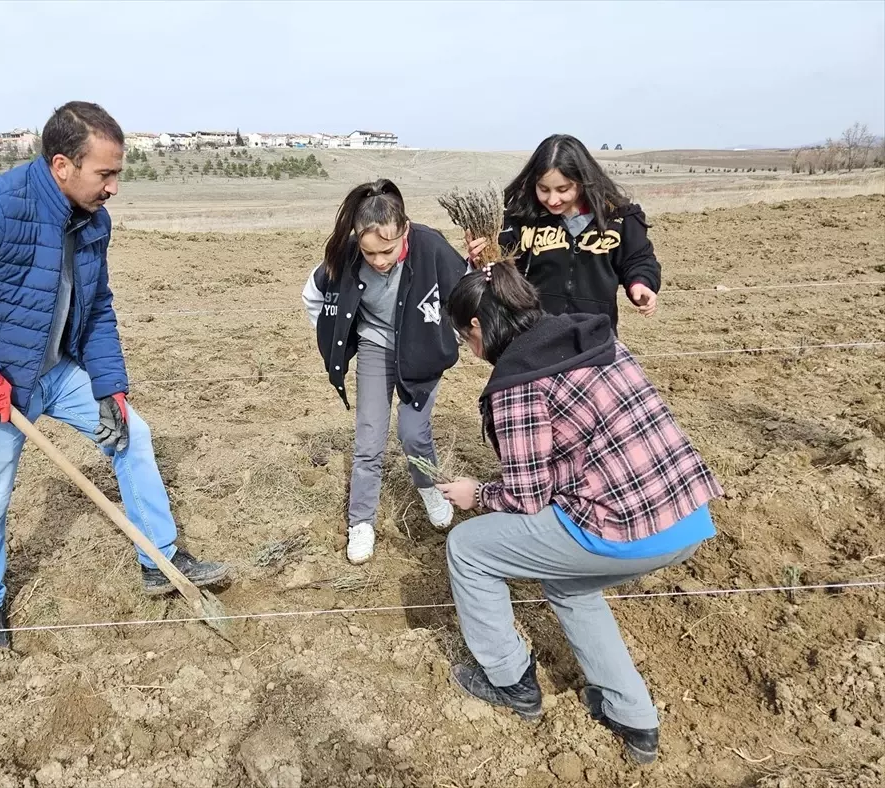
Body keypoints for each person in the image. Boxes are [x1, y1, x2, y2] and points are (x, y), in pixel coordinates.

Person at [0, 101, 229, 649]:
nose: (114, 187)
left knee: (132, 436)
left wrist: (109, 386)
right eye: (106, 173)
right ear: (61, 166)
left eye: (117, 173)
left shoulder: (94, 220)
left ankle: (159, 560)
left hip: (54, 370)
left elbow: (96, 308)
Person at [435, 262, 723, 764]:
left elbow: (525, 496)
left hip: (626, 530)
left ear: (477, 328)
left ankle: (508, 681)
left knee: (468, 548)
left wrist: (475, 494)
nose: (470, 352)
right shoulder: (589, 337)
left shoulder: (518, 380)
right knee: (567, 580)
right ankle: (633, 717)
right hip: (686, 513)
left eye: (464, 340)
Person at [302, 179, 470, 565]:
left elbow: (465, 293)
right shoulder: (343, 256)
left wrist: (452, 339)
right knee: (369, 438)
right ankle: (361, 521)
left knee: (413, 433)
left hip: (422, 351)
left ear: (404, 230)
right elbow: (312, 294)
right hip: (377, 349)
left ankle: (427, 486)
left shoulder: (431, 247)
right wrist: (332, 335)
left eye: (388, 250)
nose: (379, 260)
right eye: (369, 252)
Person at [466, 133, 661, 333]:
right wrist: (478, 260)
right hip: (532, 339)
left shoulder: (620, 218)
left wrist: (641, 283)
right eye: (544, 189)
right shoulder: (519, 220)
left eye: (563, 189)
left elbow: (639, 259)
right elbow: (495, 270)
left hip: (595, 339)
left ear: (583, 181)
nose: (552, 200)